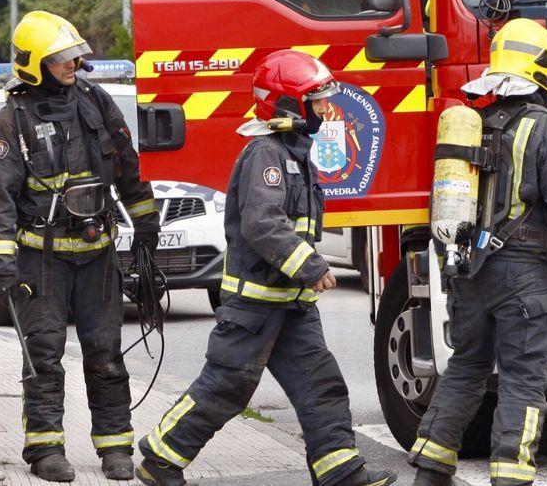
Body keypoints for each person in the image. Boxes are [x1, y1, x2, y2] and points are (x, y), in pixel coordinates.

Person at [135, 50, 395, 486]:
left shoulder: (294, 152)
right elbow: (262, 222)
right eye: (315, 101)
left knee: (322, 386)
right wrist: (311, 266)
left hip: (291, 305)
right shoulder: (264, 153)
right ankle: (160, 458)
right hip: (254, 307)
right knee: (225, 388)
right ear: (288, 104)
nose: (324, 109)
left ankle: (341, 472)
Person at [408, 18, 547, 486]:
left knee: (466, 368)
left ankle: (430, 469)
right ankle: (511, 476)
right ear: (542, 71)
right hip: (522, 274)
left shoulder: (471, 124)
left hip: (468, 270)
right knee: (523, 379)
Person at [0, 11, 160, 482]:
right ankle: (45, 450)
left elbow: (127, 166)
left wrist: (146, 228)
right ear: (35, 63)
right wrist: (0, 259)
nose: (72, 65)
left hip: (98, 253)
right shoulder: (10, 121)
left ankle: (115, 446)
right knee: (43, 353)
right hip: (42, 260)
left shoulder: (95, 101)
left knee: (105, 352)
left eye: (75, 56)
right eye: (62, 58)